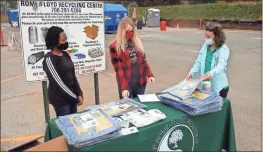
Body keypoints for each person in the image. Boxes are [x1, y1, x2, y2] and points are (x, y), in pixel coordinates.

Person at [108, 17, 155, 99]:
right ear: (121, 31)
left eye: (132, 31)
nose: (130, 33)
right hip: (126, 82)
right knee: (127, 107)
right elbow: (119, 70)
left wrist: (150, 74)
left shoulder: (137, 43)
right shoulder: (114, 47)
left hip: (140, 81)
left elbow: (143, 62)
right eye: (127, 31)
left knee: (139, 105)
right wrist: (124, 88)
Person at [42, 26, 84, 117]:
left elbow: (73, 76)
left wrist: (79, 93)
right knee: (66, 126)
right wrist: (75, 98)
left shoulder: (65, 54)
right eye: (63, 40)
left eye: (66, 39)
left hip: (72, 96)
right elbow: (59, 84)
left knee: (74, 123)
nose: (65, 42)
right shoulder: (49, 59)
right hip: (60, 100)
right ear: (54, 41)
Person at [185, 22, 230, 98]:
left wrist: (211, 73)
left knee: (217, 107)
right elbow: (198, 61)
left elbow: (221, 65)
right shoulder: (205, 46)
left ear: (217, 36)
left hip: (219, 87)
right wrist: (191, 73)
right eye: (205, 35)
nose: (205, 38)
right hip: (206, 83)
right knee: (206, 103)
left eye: (208, 36)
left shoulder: (223, 49)